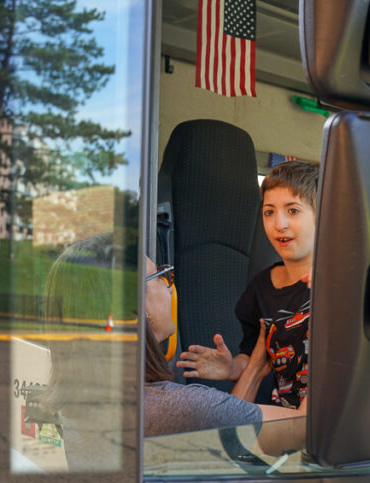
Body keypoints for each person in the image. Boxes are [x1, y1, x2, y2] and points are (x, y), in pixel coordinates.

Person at [43, 238, 300, 447]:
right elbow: (307, 428)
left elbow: (223, 433)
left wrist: (253, 368)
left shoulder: (81, 402)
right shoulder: (175, 408)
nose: (169, 288)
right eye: (159, 277)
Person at [176, 160, 318, 408]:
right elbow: (256, 357)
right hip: (282, 418)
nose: (279, 224)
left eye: (293, 210)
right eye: (269, 211)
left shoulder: (343, 280)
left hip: (326, 422)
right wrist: (232, 367)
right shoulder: (261, 288)